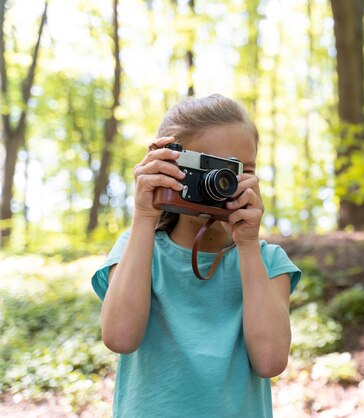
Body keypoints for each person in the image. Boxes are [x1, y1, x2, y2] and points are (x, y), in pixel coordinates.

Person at [90, 94, 301, 417]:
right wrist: (145, 215)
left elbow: (271, 361)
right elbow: (119, 337)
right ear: (167, 165)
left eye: (240, 171)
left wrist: (246, 244)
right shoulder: (139, 249)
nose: (225, 183)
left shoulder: (266, 261)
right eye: (212, 167)